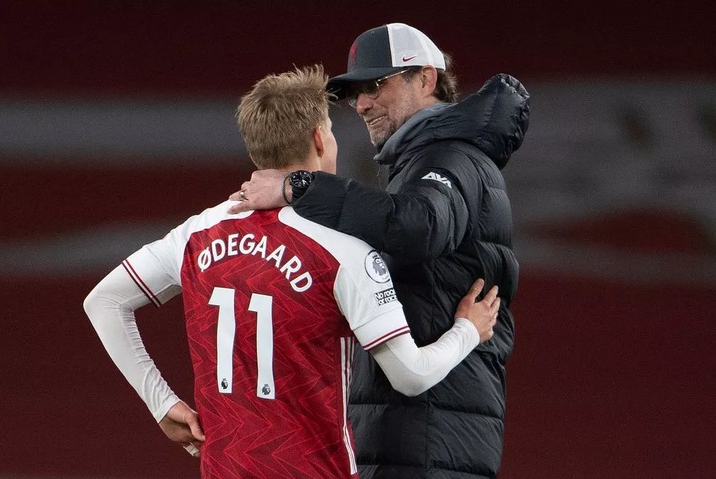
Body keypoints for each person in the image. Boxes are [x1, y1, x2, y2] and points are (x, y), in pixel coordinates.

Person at [83, 65, 501, 479]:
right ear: (321, 139)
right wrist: (468, 330)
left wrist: (161, 403)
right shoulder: (344, 250)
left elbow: (104, 301)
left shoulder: (197, 234)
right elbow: (410, 375)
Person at [227, 24, 530, 478]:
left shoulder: (452, 157)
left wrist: (299, 186)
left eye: (375, 85)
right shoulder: (421, 162)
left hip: (435, 432)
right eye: (354, 94)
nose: (362, 104)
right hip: (413, 426)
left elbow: (416, 225)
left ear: (426, 78)